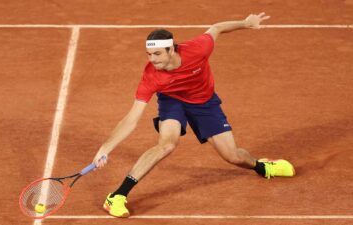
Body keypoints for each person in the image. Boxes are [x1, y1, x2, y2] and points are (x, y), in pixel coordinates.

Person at [92, 12, 295, 218]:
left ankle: (262, 167)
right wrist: (105, 148)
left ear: (171, 49)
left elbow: (216, 28)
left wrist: (246, 23)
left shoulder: (198, 49)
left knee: (232, 156)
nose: (152, 60)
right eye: (149, 54)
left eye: (157, 54)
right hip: (172, 101)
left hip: (204, 102)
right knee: (166, 144)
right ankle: (117, 196)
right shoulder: (152, 77)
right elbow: (131, 118)